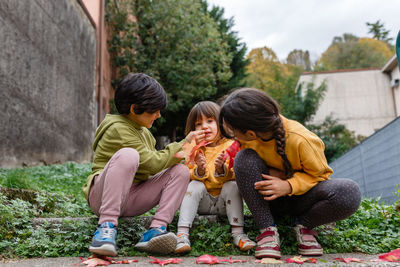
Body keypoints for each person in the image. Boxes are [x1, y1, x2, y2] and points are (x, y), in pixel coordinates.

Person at [218, 88, 361, 259]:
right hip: (270, 200)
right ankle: (267, 231)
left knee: (349, 191)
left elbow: (320, 176)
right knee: (243, 158)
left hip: (304, 200)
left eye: (234, 132)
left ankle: (305, 226)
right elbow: (244, 173)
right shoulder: (246, 142)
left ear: (251, 133)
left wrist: (288, 185)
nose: (234, 137)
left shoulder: (301, 139)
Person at [82, 73, 203, 256]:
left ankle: (156, 230)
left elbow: (158, 166)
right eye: (154, 110)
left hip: (132, 197)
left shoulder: (144, 132)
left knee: (180, 171)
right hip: (103, 197)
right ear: (134, 108)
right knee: (128, 155)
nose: (158, 115)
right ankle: (105, 228)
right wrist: (185, 144)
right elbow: (151, 164)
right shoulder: (117, 128)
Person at [174, 101, 256, 254]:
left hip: (226, 203)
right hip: (202, 203)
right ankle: (182, 234)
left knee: (232, 185)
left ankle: (238, 234)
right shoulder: (192, 148)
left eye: (210, 121)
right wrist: (199, 169)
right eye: (199, 124)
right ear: (193, 129)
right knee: (193, 186)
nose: (204, 126)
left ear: (221, 123)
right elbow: (186, 172)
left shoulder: (231, 144)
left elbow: (236, 172)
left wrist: (221, 169)